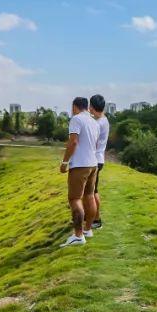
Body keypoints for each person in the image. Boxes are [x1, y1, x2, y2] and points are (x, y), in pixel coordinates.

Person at [59, 96, 99, 247]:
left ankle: (78, 235)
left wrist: (64, 162)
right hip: (93, 164)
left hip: (80, 165)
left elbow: (73, 142)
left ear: (75, 107)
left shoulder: (76, 119)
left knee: (75, 199)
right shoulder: (94, 122)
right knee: (89, 196)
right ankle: (88, 230)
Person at [88, 94, 109, 229]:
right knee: (93, 190)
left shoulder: (97, 123)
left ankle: (96, 219)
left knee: (93, 191)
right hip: (99, 159)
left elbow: (92, 143)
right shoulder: (103, 119)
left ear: (92, 107)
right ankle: (91, 216)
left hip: (95, 159)